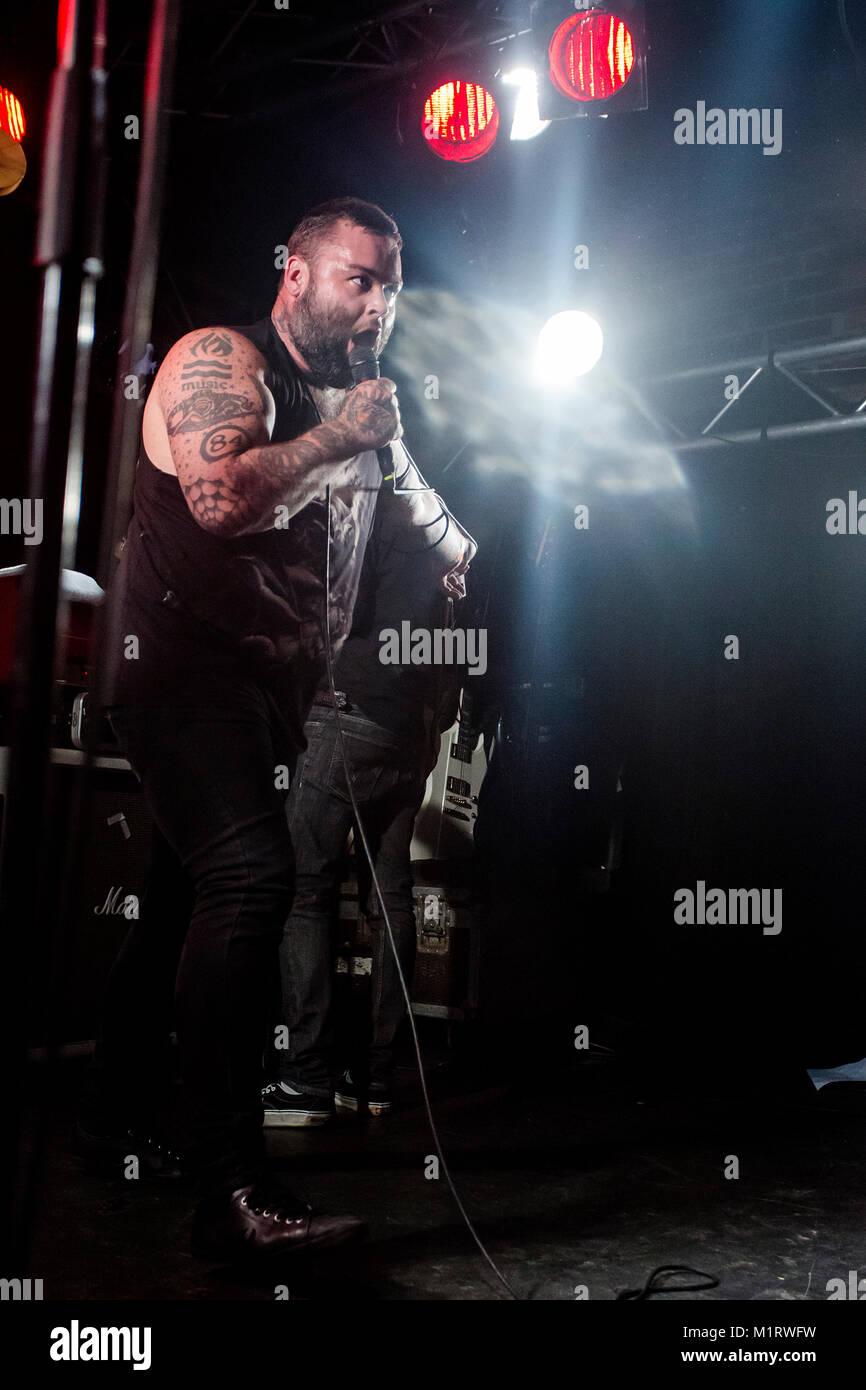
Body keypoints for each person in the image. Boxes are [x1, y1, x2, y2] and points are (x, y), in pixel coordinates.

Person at [82, 197, 473, 1262]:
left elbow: (415, 502)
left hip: (260, 695)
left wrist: (446, 536)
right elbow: (217, 498)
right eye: (359, 278)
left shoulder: (353, 403)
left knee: (179, 899)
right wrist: (344, 435)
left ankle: (120, 1110)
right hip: (174, 668)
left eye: (391, 284)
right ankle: (231, 1191)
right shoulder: (224, 359)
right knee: (253, 879)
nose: (379, 305)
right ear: (294, 274)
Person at [262, 481, 473, 1128]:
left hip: (348, 714)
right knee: (393, 900)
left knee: (304, 886)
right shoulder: (444, 530)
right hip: (411, 731)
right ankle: (375, 1076)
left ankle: (305, 1079)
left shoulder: (362, 511)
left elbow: (323, 615)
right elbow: (449, 649)